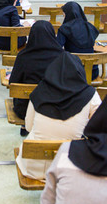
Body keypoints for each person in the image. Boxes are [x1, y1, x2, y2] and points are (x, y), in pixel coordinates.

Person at [16, 52, 102, 181]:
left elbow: (28, 126)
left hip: (34, 165)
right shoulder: (90, 95)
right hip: (72, 167)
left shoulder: (40, 90)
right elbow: (99, 128)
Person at [9, 21, 63, 126]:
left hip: (25, 110)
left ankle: (26, 126)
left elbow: (13, 82)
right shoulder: (62, 56)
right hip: (55, 107)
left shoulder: (23, 56)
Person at [57, 1, 100, 79]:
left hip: (72, 73)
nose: (63, 15)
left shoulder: (64, 29)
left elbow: (57, 47)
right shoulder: (90, 27)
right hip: (91, 72)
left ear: (68, 14)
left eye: (64, 13)